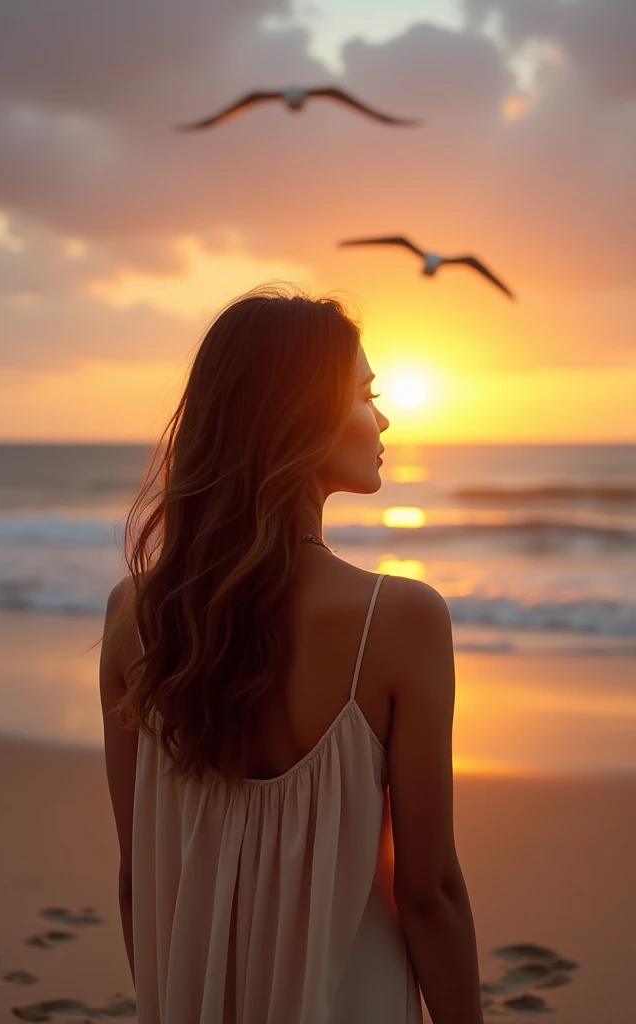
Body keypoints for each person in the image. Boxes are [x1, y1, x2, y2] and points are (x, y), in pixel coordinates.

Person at [99, 287, 485, 1024]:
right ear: (300, 416)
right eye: (367, 393)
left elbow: (137, 881)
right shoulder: (397, 619)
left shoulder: (134, 617)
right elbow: (428, 892)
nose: (386, 417)